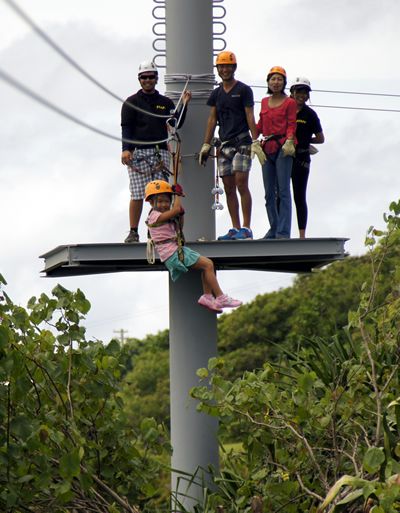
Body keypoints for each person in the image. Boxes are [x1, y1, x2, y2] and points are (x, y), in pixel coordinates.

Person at [121, 60, 191, 243]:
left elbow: (175, 123)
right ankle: (133, 231)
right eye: (144, 77)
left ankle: (156, 229)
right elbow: (126, 128)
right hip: (138, 153)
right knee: (137, 193)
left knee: (159, 194)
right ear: (139, 79)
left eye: (151, 77)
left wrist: (184, 104)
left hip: (160, 152)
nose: (148, 80)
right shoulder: (131, 103)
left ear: (156, 78)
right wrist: (125, 150)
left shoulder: (165, 102)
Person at [145, 180, 242, 313]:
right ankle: (220, 297)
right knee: (208, 265)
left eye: (167, 201)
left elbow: (179, 224)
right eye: (160, 201)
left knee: (206, 266)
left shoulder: (164, 217)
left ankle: (208, 297)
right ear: (151, 203)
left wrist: (181, 214)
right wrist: (177, 195)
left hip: (173, 252)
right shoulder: (154, 216)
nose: (164, 204)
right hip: (173, 252)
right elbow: (176, 209)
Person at [199, 51, 266, 241]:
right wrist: (206, 144)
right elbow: (212, 120)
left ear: (234, 68)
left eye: (228, 66)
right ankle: (235, 228)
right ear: (218, 69)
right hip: (224, 143)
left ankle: (246, 227)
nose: (225, 69)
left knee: (241, 183)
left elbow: (250, 115)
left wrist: (255, 139)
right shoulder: (216, 94)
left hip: (242, 141)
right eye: (222, 66)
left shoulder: (243, 90)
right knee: (228, 187)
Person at [256, 66, 297, 239]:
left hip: (283, 147)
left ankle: (283, 231)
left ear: (284, 82)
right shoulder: (264, 102)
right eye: (273, 79)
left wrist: (289, 140)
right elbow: (259, 124)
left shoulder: (290, 102)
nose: (276, 82)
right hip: (267, 147)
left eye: (279, 79)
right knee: (268, 193)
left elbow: (291, 123)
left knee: (283, 191)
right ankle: (273, 228)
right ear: (268, 82)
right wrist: (251, 137)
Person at [290, 77, 325, 238]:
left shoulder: (310, 114)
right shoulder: (284, 109)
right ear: (292, 92)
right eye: (299, 91)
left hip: (302, 157)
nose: (301, 95)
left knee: (299, 195)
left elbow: (320, 138)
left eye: (305, 92)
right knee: (280, 195)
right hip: (284, 156)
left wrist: (304, 140)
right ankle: (279, 231)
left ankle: (302, 234)